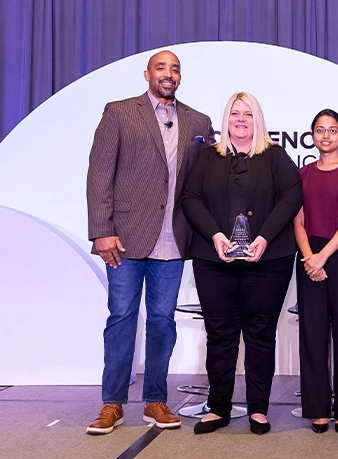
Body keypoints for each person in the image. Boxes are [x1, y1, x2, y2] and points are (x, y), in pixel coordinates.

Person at [85, 50, 215, 434]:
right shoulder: (119, 112)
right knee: (122, 318)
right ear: (147, 74)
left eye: (175, 68)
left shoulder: (199, 121)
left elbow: (205, 180)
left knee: (162, 322)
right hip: (123, 237)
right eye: (161, 67)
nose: (169, 74)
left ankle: (155, 400)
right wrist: (101, 230)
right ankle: (112, 403)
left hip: (174, 240)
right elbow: (99, 175)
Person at [182, 91, 303, 435]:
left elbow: (292, 196)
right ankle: (218, 407)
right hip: (213, 260)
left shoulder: (276, 156)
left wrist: (263, 237)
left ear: (258, 119)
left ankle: (258, 410)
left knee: (260, 335)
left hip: (268, 261)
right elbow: (190, 198)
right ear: (226, 119)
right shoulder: (208, 158)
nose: (241, 119)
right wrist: (215, 236)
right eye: (235, 113)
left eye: (248, 114)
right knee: (220, 335)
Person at [293, 109, 338, 435]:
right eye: (320, 130)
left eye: (332, 130)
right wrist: (311, 257)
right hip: (310, 254)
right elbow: (297, 221)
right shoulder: (302, 174)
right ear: (312, 136)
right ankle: (317, 408)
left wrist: (323, 257)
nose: (326, 136)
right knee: (312, 335)